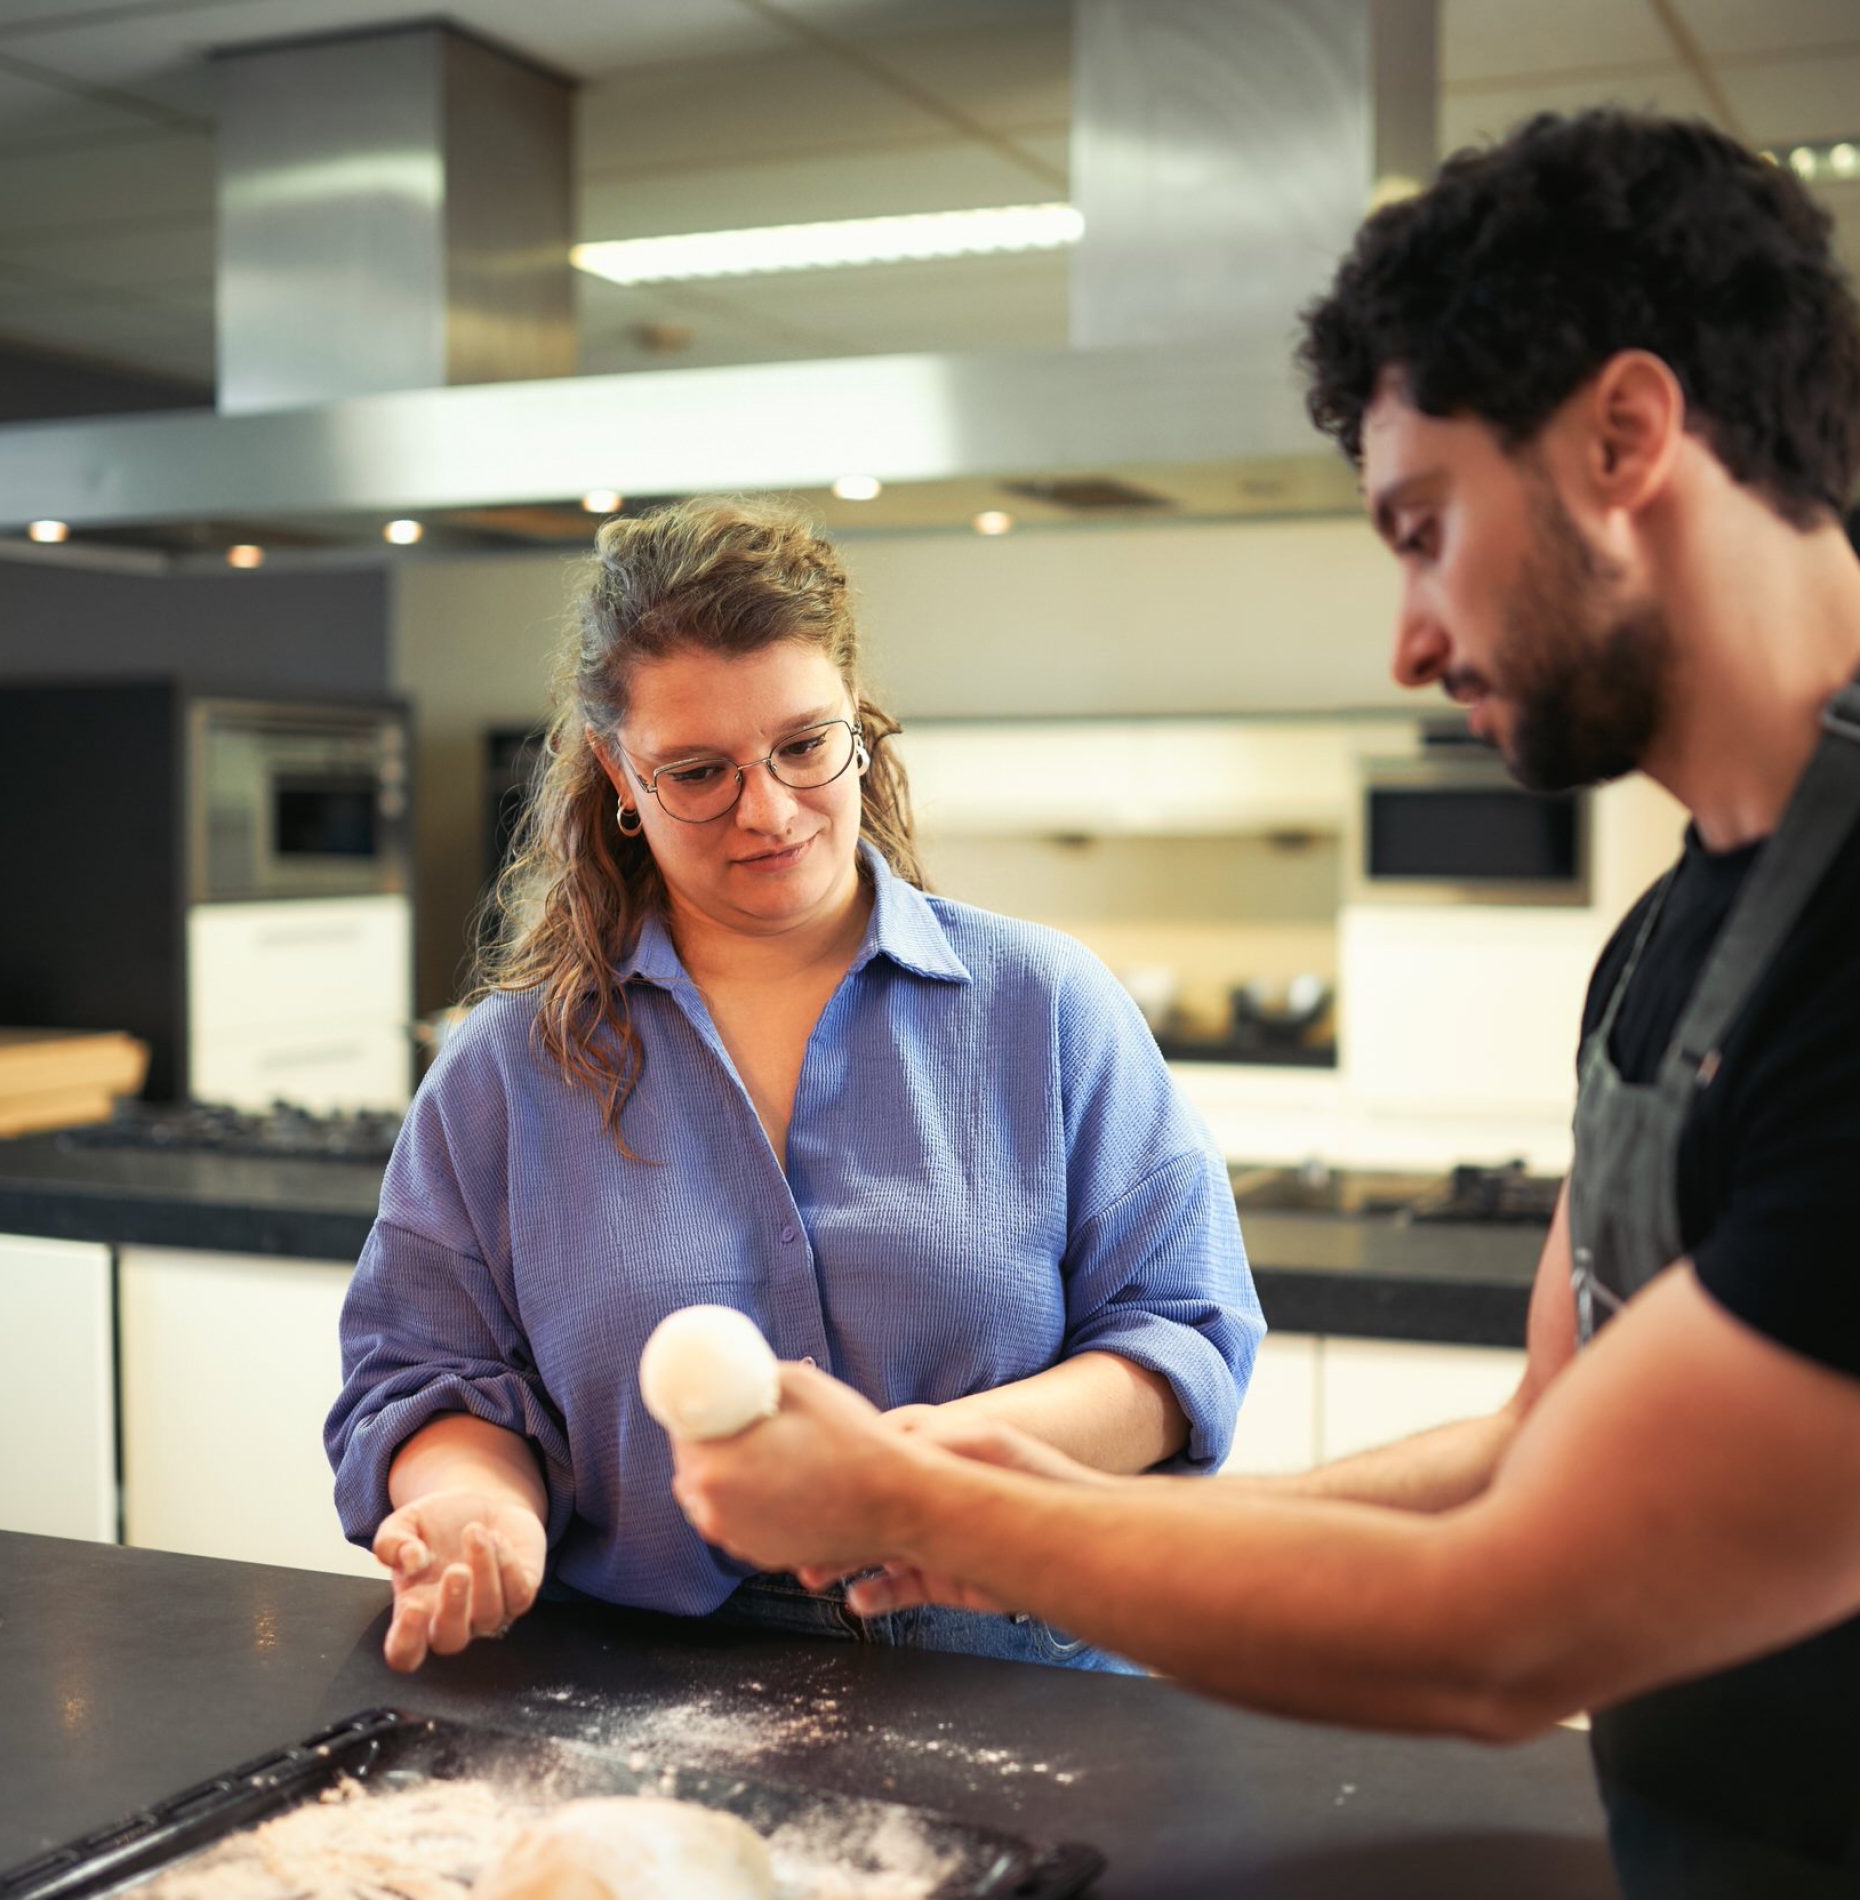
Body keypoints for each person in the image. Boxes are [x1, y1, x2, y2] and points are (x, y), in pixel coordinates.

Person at [671, 112, 1860, 1897]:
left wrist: (933, 1509)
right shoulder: (1678, 929)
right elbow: (1539, 1450)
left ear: (1628, 434)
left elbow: (1507, 1628)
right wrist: (1043, 1525)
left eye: (1422, 527)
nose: (1406, 635)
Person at [325, 497, 1263, 1676]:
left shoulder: (1045, 1005)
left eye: (804, 747)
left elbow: (1178, 1339)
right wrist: (477, 1500)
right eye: (698, 772)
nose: (767, 810)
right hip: (634, 1689)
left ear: (857, 727)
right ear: (619, 771)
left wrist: (915, 1474)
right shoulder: (506, 1070)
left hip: (1020, 1686)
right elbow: (425, 1371)